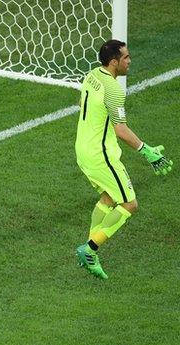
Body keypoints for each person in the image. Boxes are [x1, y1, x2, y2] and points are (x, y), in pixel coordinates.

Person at [74, 39, 173, 279]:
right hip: (101, 155)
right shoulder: (114, 89)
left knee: (108, 197)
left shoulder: (92, 75)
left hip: (83, 149)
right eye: (126, 58)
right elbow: (120, 129)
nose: (130, 61)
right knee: (129, 204)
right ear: (114, 62)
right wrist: (146, 150)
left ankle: (90, 250)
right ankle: (90, 249)